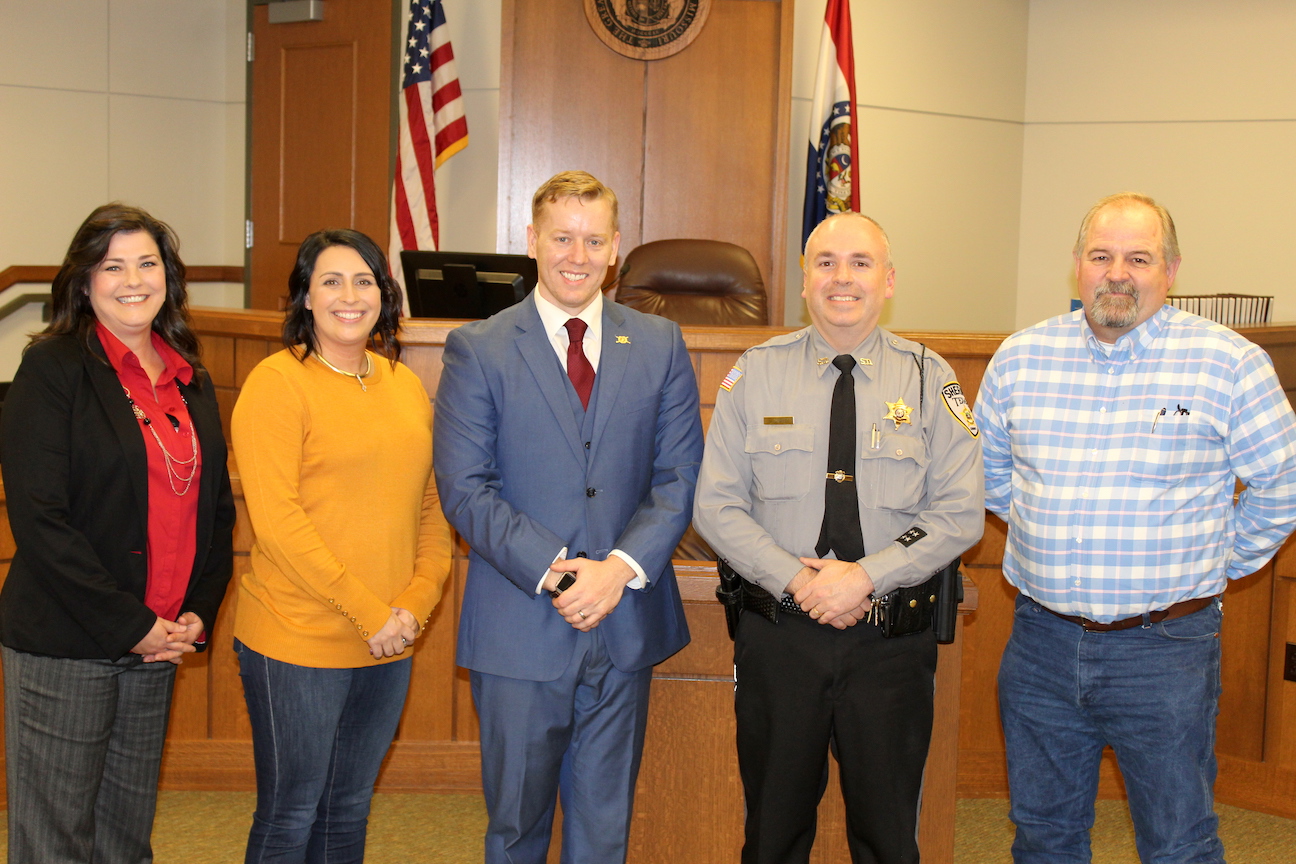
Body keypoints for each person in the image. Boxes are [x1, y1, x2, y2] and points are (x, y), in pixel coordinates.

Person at [974, 192, 1296, 863]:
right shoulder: (1020, 358)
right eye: (1101, 256)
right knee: (1043, 837)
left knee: (1178, 842)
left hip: (1166, 650)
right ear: (1077, 266)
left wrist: (1220, 561)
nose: (1116, 272)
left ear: (1170, 269)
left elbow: (1282, 484)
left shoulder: (1228, 363)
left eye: (1138, 258)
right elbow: (991, 475)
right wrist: (1048, 530)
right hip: (1041, 644)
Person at [693, 211, 984, 864]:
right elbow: (715, 506)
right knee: (772, 833)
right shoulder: (756, 372)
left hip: (890, 642)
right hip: (781, 636)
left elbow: (961, 512)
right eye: (825, 263)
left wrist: (865, 575)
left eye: (860, 263)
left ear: (888, 280)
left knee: (888, 838)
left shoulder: (928, 377)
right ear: (804, 281)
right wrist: (799, 580)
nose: (842, 278)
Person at [434, 170, 703, 864]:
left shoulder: (660, 345)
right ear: (531, 240)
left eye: (592, 240)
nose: (576, 256)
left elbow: (678, 478)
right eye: (561, 237)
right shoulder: (479, 348)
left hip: (624, 626)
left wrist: (616, 570)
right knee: (517, 829)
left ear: (616, 248)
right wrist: (557, 572)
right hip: (520, 632)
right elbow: (466, 488)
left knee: (603, 831)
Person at [0, 203, 235, 863]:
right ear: (84, 281)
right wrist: (127, 622)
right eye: (113, 266)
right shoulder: (52, 371)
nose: (133, 279)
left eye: (147, 263)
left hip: (157, 647)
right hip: (67, 645)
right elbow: (41, 522)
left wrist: (195, 612)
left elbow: (214, 510)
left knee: (125, 842)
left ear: (169, 278)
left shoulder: (188, 378)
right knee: (56, 843)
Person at [231, 228, 452, 862]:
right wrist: (370, 610)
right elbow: (279, 524)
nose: (348, 296)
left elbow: (431, 509)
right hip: (297, 639)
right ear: (304, 298)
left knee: (348, 809)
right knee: (291, 813)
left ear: (384, 296)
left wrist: (413, 605)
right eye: (330, 281)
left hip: (389, 638)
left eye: (364, 281)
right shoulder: (277, 385)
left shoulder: (402, 384)